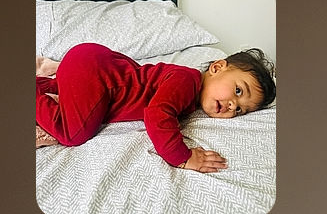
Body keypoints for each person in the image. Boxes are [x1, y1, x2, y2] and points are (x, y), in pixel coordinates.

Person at [35, 44, 276, 173]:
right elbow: (158, 114)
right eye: (238, 91)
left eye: (240, 111)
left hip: (95, 63)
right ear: (216, 67)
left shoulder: (188, 90)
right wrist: (183, 157)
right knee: (72, 133)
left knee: (101, 91)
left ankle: (45, 83)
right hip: (93, 69)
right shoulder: (187, 81)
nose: (233, 106)